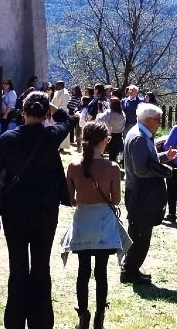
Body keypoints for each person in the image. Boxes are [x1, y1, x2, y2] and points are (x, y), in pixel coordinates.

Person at [0, 91, 73, 329]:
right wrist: (52, 108)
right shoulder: (51, 136)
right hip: (45, 210)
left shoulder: (7, 138)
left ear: (22, 112)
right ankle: (41, 322)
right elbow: (67, 119)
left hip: (14, 209)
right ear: (46, 113)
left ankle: (15, 322)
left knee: (17, 266)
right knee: (41, 265)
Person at [62, 121, 127, 329]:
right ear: (103, 141)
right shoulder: (113, 167)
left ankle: (83, 315)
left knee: (83, 271)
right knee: (101, 272)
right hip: (103, 224)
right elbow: (115, 200)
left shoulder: (73, 165)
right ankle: (100, 315)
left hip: (83, 221)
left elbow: (71, 199)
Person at [120, 103, 177, 284]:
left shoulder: (141, 134)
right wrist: (164, 170)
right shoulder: (138, 137)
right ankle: (130, 271)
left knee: (139, 232)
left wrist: (164, 157)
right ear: (147, 120)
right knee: (140, 235)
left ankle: (131, 268)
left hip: (141, 191)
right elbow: (141, 169)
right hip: (140, 191)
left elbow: (148, 160)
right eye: (157, 120)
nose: (159, 124)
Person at [95, 97, 126, 164]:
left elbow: (99, 119)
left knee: (111, 152)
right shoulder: (122, 113)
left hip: (110, 135)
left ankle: (111, 165)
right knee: (118, 151)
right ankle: (120, 163)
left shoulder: (109, 113)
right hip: (119, 134)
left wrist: (99, 113)